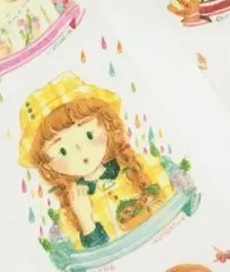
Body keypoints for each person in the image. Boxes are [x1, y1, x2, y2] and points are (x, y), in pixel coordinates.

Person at [18, 73, 174, 250]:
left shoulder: (144, 164)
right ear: (47, 164)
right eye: (63, 151)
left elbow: (176, 197)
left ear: (106, 124)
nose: (81, 152)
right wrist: (86, 221)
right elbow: (94, 257)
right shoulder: (69, 213)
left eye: (89, 135)